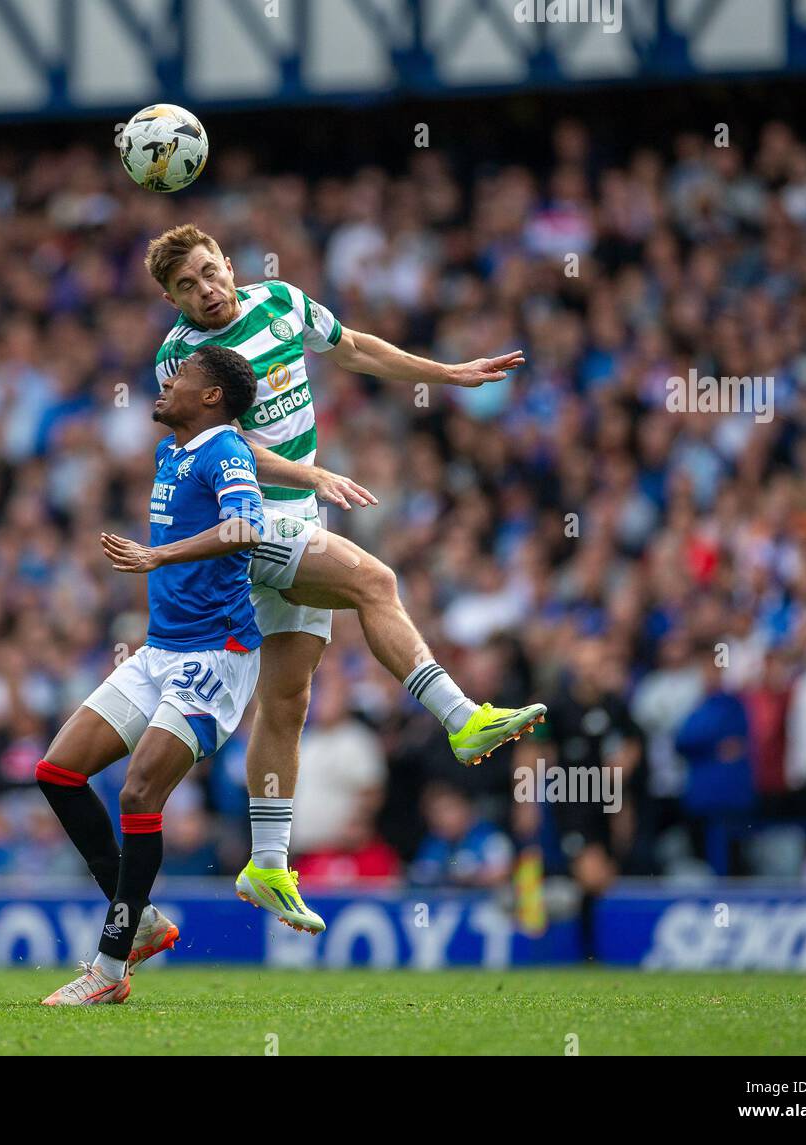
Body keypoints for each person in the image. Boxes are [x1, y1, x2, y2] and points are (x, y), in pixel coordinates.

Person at [146, 224, 546, 933]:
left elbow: (355, 348)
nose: (205, 289)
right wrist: (311, 472)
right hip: (246, 518)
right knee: (375, 581)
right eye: (186, 285)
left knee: (289, 698)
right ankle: (462, 719)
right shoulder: (182, 359)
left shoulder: (281, 303)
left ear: (228, 264)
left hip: (299, 516)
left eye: (209, 272)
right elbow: (220, 449)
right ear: (172, 299)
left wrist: (447, 373)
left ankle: (267, 862)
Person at [35, 346, 265, 1005]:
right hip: (158, 650)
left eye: (185, 376)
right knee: (57, 770)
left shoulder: (225, 451)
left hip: (215, 655)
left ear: (213, 396)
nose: (168, 381)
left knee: (139, 794)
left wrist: (157, 554)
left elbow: (246, 523)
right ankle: (137, 916)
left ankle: (109, 969)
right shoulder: (173, 454)